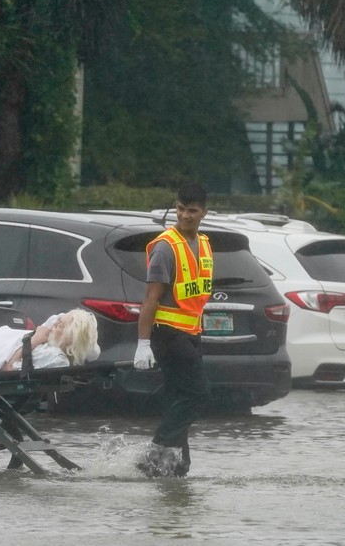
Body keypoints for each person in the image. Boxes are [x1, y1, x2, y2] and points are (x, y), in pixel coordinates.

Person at [134, 182, 213, 477]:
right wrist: (143, 343)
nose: (185, 216)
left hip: (191, 334)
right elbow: (151, 297)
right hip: (167, 334)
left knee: (178, 397)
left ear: (204, 211)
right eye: (181, 209)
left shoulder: (203, 244)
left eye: (192, 210)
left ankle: (177, 466)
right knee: (199, 394)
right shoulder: (166, 248)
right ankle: (154, 454)